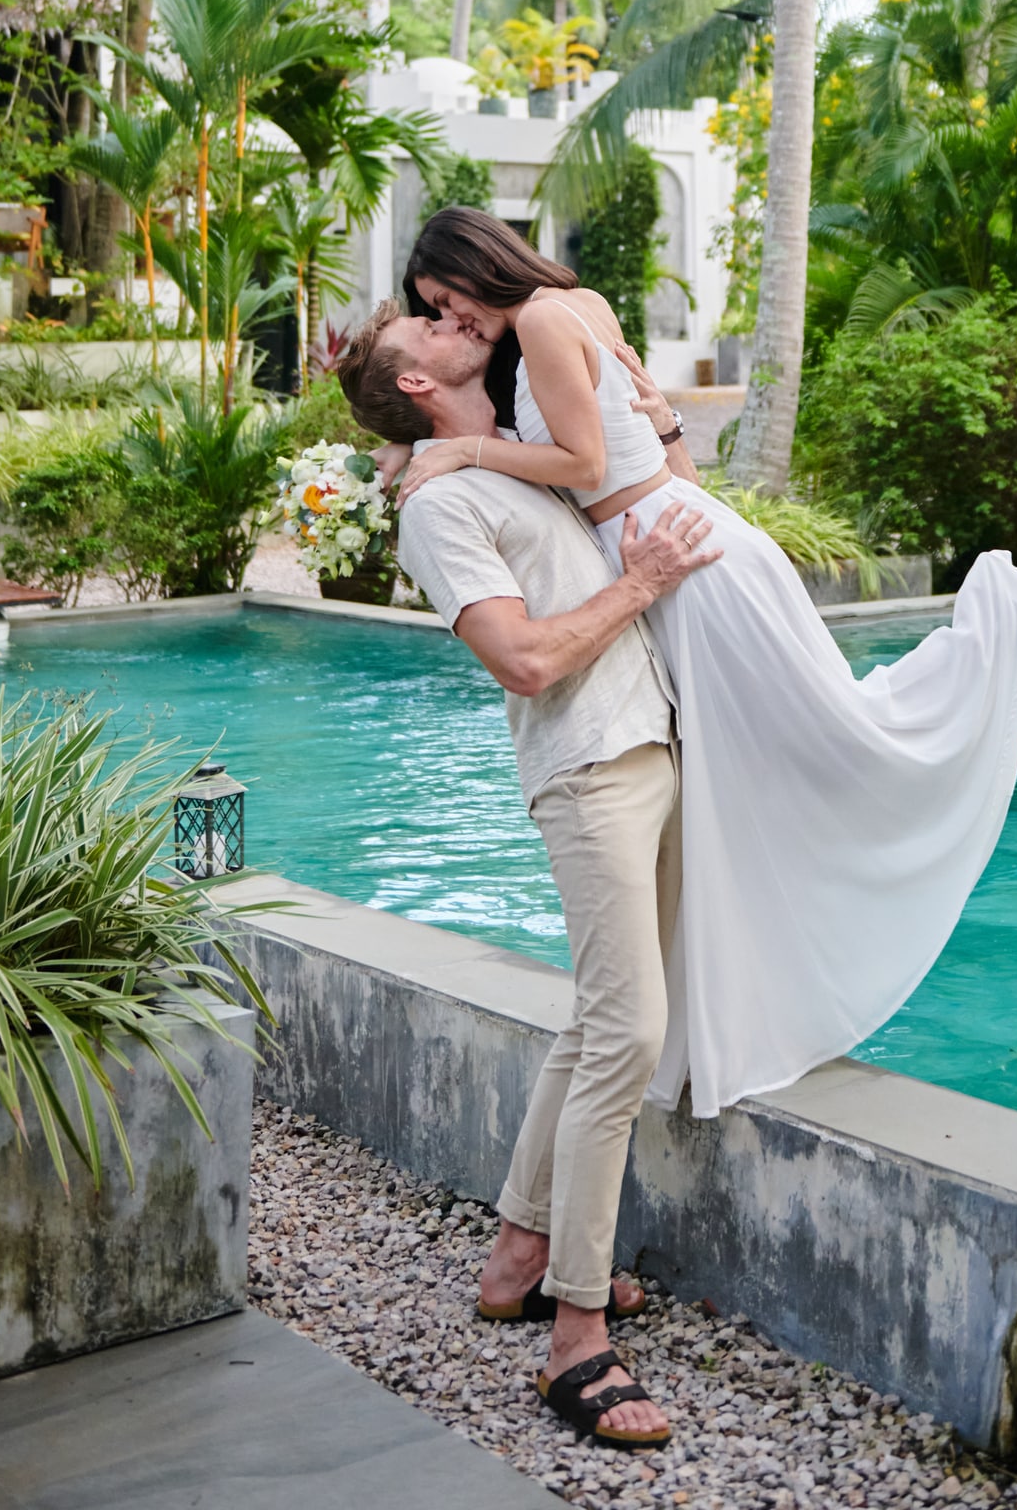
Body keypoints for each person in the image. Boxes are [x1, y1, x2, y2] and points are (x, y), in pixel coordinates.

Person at [390, 207, 1017, 1128]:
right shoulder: (571, 308)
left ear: (478, 263)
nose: (453, 320)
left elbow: (584, 458)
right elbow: (643, 442)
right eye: (434, 311)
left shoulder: (549, 319)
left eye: (449, 299)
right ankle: (731, 1008)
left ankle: (998, 620)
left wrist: (458, 449)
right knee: (760, 774)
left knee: (833, 737)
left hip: (692, 572)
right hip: (685, 552)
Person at [335, 300, 718, 1451]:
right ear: (416, 381)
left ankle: (517, 1256)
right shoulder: (439, 506)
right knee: (628, 1036)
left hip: (652, 743)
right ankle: (577, 1336)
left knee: (596, 1021)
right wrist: (641, 583)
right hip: (589, 768)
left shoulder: (508, 455)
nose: (458, 322)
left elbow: (648, 482)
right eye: (432, 326)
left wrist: (658, 412)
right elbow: (524, 655)